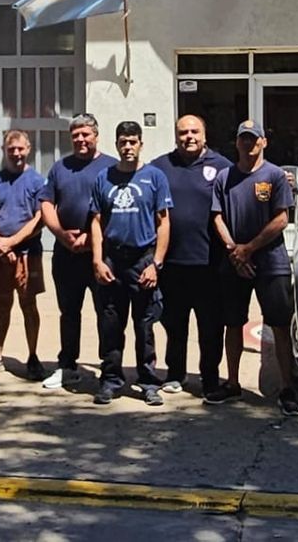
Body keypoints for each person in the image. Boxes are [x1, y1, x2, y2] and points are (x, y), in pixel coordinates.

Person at [207, 120, 298, 416]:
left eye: (253, 139)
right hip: (234, 263)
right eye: (242, 139)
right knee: (232, 323)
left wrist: (248, 249)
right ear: (236, 143)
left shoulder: (274, 176)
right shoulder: (225, 177)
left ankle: (287, 388)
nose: (248, 144)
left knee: (280, 325)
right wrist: (234, 252)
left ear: (263, 142)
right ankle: (233, 383)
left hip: (270, 263)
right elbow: (217, 217)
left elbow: (281, 219)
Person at [148, 114, 233, 397]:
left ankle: (210, 379)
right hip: (172, 264)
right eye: (183, 132)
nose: (189, 137)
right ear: (175, 136)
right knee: (174, 323)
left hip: (210, 264)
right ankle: (175, 374)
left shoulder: (222, 168)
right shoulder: (159, 168)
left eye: (195, 131)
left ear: (205, 135)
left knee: (210, 327)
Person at [89, 120, 173, 406]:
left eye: (132, 142)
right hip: (113, 259)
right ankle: (111, 380)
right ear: (116, 144)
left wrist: (156, 264)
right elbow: (96, 221)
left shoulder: (154, 177)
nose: (128, 147)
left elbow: (163, 222)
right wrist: (98, 260)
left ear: (140, 144)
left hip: (143, 260)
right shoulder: (104, 178)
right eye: (123, 142)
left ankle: (148, 382)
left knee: (145, 325)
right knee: (111, 323)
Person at [38, 113, 117, 390]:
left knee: (106, 313)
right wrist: (60, 234)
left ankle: (108, 371)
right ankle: (68, 365)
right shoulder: (60, 168)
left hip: (101, 256)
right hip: (66, 254)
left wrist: (91, 238)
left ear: (96, 135)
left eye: (86, 135)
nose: (81, 140)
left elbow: (118, 210)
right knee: (68, 313)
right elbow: (46, 203)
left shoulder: (112, 168)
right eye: (76, 136)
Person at [0, 130, 47, 379]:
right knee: (2, 304)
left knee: (28, 304)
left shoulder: (37, 181)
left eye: (20, 149)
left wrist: (12, 242)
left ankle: (32, 356)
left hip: (27, 253)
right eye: (11, 150)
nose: (16, 154)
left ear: (29, 148)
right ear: (4, 150)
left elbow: (40, 218)